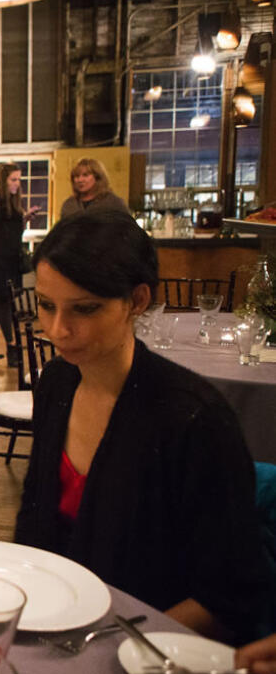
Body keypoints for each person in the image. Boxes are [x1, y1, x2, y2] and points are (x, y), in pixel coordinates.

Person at [14, 211, 274, 643]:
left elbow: (230, 597)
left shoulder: (193, 419)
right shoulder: (57, 384)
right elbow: (34, 513)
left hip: (144, 651)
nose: (58, 330)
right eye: (46, 305)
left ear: (137, 300)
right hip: (53, 627)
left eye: (85, 309)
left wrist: (105, 646)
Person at [0, 163, 39, 367]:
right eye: (13, 179)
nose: (17, 184)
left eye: (18, 179)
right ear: (2, 182)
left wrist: (25, 220)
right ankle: (12, 347)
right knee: (5, 303)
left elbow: (11, 232)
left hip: (11, 260)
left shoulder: (13, 205)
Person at [58, 157, 129, 219]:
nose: (80, 180)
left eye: (85, 175)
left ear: (97, 177)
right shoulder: (69, 205)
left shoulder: (113, 203)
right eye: (76, 176)